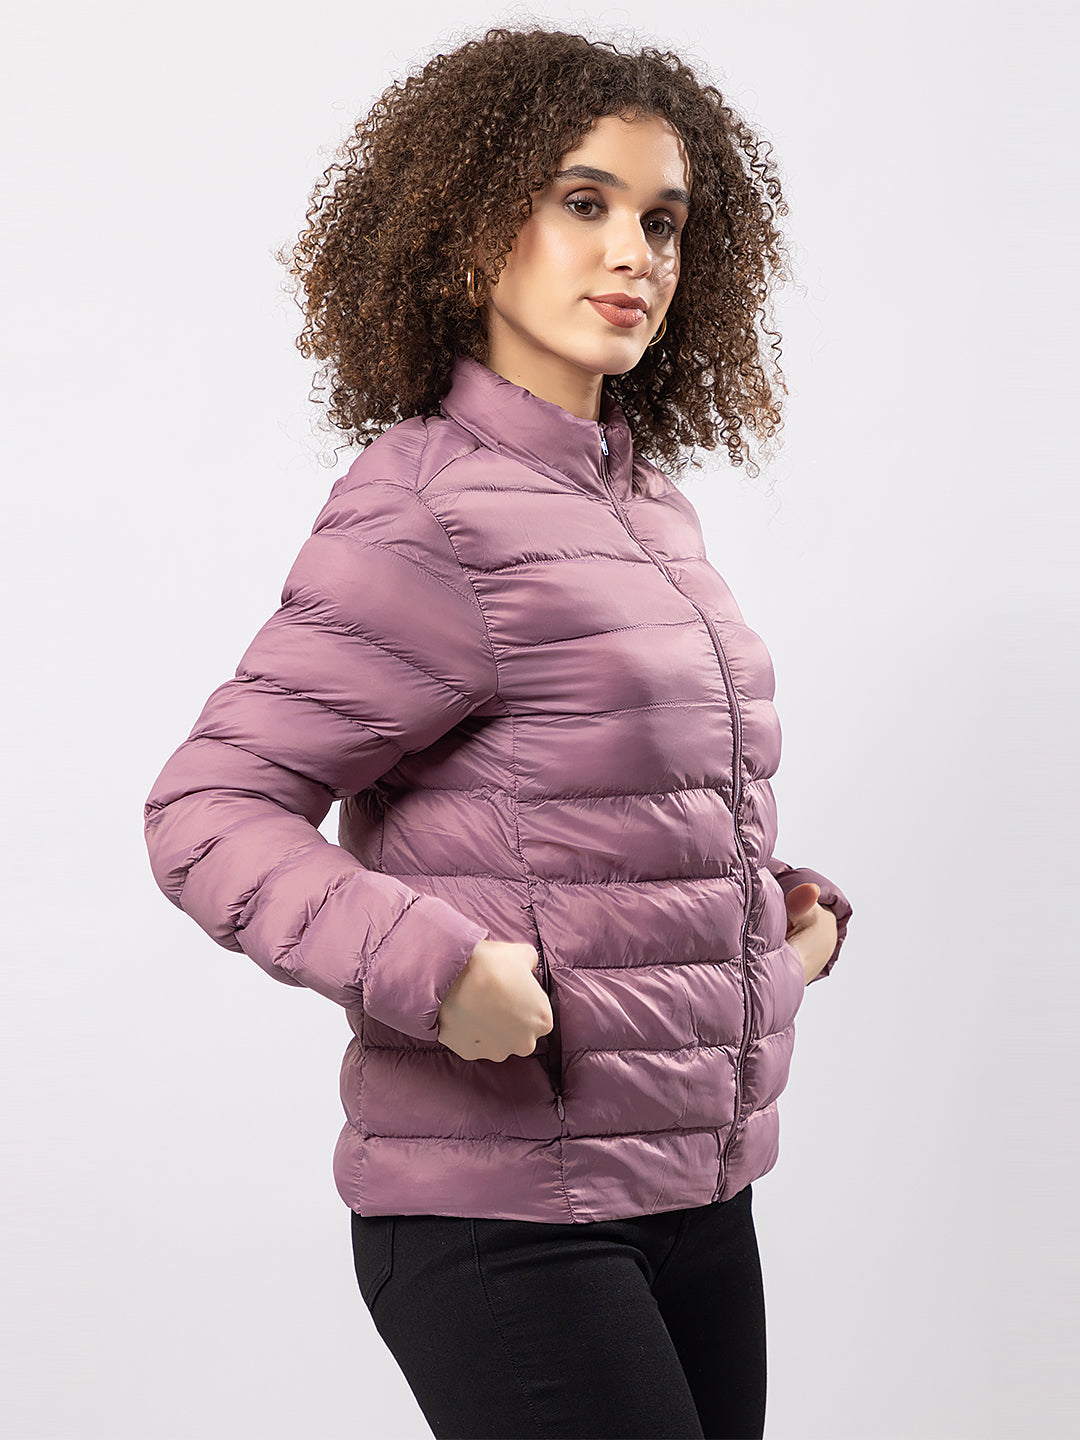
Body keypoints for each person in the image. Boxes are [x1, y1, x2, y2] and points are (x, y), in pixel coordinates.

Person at [142, 25, 854, 1440]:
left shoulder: (644, 509)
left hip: (697, 1190)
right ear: (474, 231)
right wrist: (438, 968)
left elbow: (596, 816)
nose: (635, 252)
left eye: (663, 221)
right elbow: (206, 812)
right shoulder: (427, 504)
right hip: (504, 1219)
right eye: (585, 202)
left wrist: (767, 917)